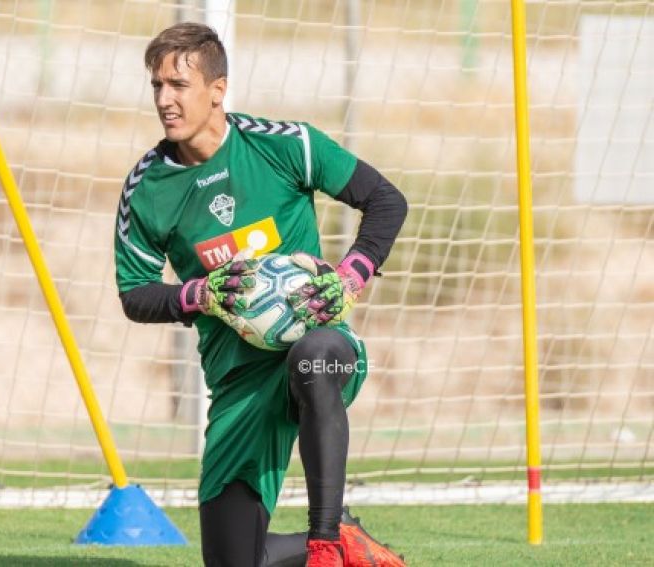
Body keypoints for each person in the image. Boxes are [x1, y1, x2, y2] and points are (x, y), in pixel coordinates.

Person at [113, 22, 408, 567]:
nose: (164, 99)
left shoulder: (284, 145)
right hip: (238, 381)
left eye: (178, 85)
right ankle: (354, 546)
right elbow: (134, 294)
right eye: (156, 85)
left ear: (217, 90)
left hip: (317, 345)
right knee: (232, 562)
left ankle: (326, 538)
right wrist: (197, 294)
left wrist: (351, 275)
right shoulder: (147, 188)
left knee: (316, 356)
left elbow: (386, 201)